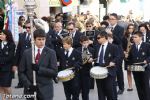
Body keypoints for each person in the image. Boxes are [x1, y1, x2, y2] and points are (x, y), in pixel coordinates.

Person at [19, 29, 58, 100]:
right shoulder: (27, 53)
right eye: (39, 39)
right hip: (30, 90)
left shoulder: (51, 53)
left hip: (45, 90)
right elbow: (21, 72)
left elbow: (54, 72)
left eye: (43, 39)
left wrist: (39, 69)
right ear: (34, 39)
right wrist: (28, 85)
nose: (41, 41)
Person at [94, 31, 118, 100]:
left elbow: (118, 56)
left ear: (104, 37)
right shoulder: (96, 47)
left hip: (109, 70)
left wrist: (113, 61)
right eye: (97, 38)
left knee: (109, 89)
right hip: (98, 70)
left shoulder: (113, 47)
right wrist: (91, 59)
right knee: (100, 90)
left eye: (98, 38)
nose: (97, 39)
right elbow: (94, 57)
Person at [127, 31, 150, 100]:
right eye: (133, 37)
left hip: (144, 69)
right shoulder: (132, 46)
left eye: (135, 37)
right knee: (138, 86)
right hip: (135, 69)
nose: (133, 38)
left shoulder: (147, 45)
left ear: (140, 37)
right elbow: (130, 58)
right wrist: (126, 56)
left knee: (145, 86)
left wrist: (147, 60)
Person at [106, 13, 125, 94]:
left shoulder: (120, 28)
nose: (111, 20)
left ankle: (121, 87)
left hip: (118, 51)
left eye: (112, 19)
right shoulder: (107, 28)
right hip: (109, 51)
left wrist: (111, 34)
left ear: (116, 20)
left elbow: (119, 41)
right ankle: (111, 87)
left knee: (118, 70)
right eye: (110, 19)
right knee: (110, 69)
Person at [14, 20, 32, 88]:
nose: (27, 29)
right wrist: (15, 63)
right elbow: (18, 49)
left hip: (30, 58)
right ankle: (20, 83)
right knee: (20, 71)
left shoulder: (35, 36)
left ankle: (29, 84)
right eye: (26, 27)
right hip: (22, 58)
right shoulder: (21, 35)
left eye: (29, 27)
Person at [77, 36, 94, 100]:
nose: (85, 44)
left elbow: (95, 60)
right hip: (78, 73)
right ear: (81, 43)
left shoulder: (92, 50)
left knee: (85, 92)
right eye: (84, 43)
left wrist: (92, 61)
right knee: (76, 92)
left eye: (87, 42)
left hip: (87, 73)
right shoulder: (77, 50)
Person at [0, 30, 16, 99]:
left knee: (6, 86)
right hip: (0, 68)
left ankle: (10, 98)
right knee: (0, 86)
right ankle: (3, 98)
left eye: (3, 34)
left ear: (7, 35)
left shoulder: (11, 44)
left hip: (7, 68)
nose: (1, 35)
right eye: (1, 34)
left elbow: (10, 57)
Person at [122, 24, 135, 91]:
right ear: (127, 29)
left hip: (135, 56)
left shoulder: (136, 36)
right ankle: (130, 86)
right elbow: (122, 46)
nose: (131, 29)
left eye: (132, 28)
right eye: (129, 28)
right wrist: (124, 52)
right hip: (127, 56)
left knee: (136, 71)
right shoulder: (124, 37)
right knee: (129, 71)